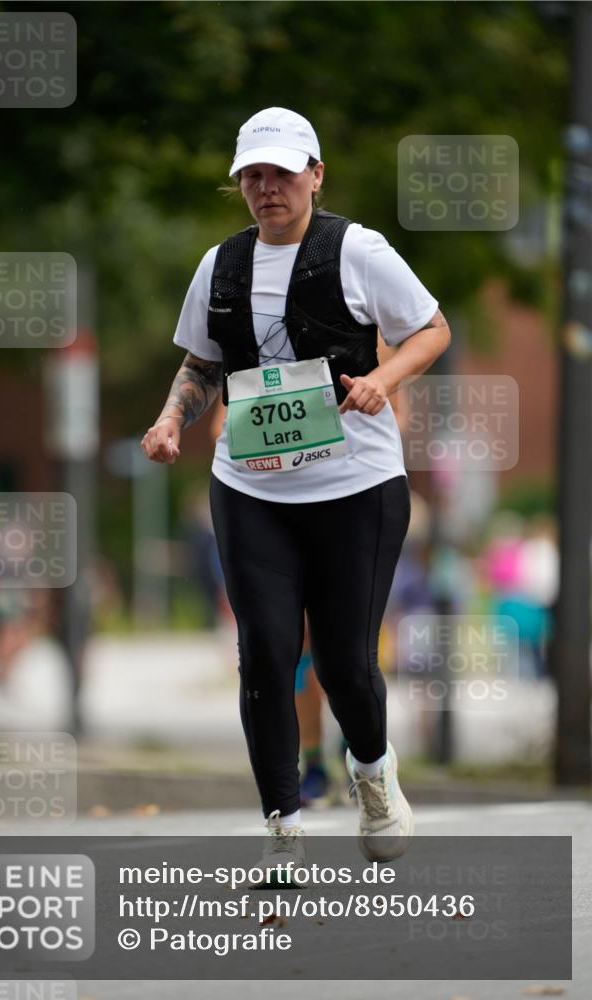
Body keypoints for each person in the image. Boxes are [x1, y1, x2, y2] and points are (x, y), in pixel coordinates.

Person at [142, 107, 450, 879]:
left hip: (355, 485)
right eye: (252, 175)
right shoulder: (219, 265)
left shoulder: (357, 251)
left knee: (345, 661)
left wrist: (381, 380)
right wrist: (169, 422)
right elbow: (201, 364)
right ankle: (282, 829)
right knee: (267, 656)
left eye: (281, 172)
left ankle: (374, 778)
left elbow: (431, 329)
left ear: (315, 175)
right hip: (250, 488)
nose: (265, 187)